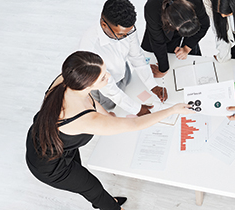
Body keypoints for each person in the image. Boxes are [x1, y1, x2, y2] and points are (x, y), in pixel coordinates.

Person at [26, 51, 193, 210]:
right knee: (92, 187)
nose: (109, 77)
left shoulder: (69, 78)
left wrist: (107, 116)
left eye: (105, 71)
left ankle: (104, 200)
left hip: (49, 141)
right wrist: (172, 110)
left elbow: (89, 100)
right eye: (103, 77)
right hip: (49, 166)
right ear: (87, 83)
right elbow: (135, 125)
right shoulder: (83, 119)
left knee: (83, 177)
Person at [80, 0, 167, 116]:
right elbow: (110, 90)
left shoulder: (127, 30)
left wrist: (153, 86)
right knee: (114, 111)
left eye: (129, 32)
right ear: (104, 24)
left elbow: (137, 57)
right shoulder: (89, 49)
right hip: (103, 87)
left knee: (130, 91)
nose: (126, 37)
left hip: (122, 73)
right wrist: (137, 109)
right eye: (120, 34)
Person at [141, 0, 210, 78]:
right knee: (154, 55)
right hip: (158, 26)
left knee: (192, 62)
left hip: (183, 24)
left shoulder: (196, 1)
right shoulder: (152, 8)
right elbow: (158, 42)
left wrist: (187, 48)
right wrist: (163, 69)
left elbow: (205, 25)